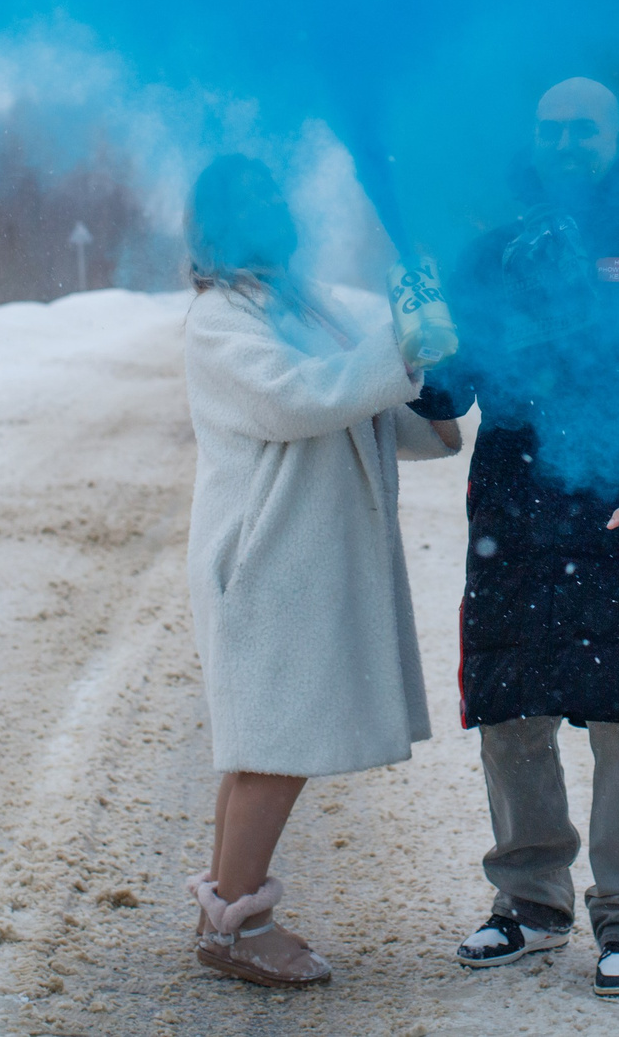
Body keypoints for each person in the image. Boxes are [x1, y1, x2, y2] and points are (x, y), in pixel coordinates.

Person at [412, 77, 619, 998]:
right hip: (516, 525)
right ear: (534, 139)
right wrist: (413, 348)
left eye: (584, 129)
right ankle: (527, 903)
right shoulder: (493, 255)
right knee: (511, 713)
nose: (567, 144)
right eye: (552, 130)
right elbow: (452, 390)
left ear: (615, 136)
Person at [179, 155, 461, 986]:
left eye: (277, 199)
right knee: (273, 745)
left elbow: (366, 397)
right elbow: (299, 398)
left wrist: (432, 396)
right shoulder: (220, 318)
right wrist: (397, 347)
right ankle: (237, 926)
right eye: (255, 206)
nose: (274, 215)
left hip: (296, 563)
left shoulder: (302, 301)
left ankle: (224, 909)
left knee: (262, 744)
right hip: (264, 562)